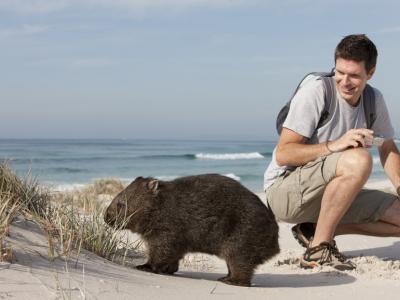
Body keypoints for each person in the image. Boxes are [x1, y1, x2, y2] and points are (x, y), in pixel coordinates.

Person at [264, 34, 400, 271]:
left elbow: (388, 148)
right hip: (285, 192)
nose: (345, 82)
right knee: (359, 158)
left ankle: (314, 231)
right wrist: (333, 145)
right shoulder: (317, 91)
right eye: (340, 72)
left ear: (371, 73)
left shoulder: (373, 99)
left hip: (333, 195)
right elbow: (283, 153)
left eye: (354, 75)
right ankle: (319, 250)